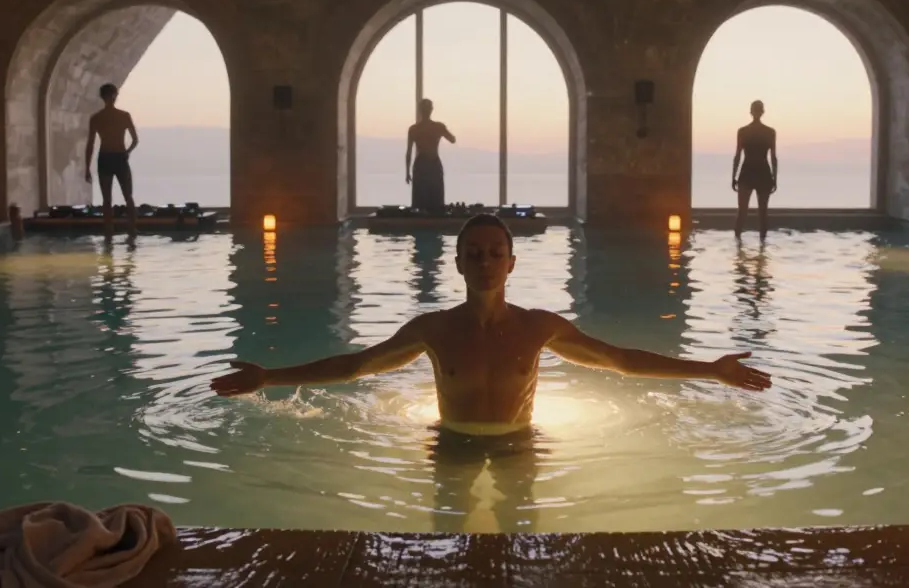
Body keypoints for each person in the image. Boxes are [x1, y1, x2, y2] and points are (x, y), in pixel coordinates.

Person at [211, 214, 773, 530]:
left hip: (518, 445)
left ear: (511, 261)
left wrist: (710, 369)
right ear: (457, 262)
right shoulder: (432, 329)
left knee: (518, 523)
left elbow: (621, 360)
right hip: (449, 443)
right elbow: (357, 366)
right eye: (473, 253)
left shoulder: (539, 328)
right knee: (446, 526)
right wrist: (269, 377)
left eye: (494, 252)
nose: (484, 262)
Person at [84, 83, 139, 239]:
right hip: (118, 157)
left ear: (102, 97)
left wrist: (87, 168)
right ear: (115, 95)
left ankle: (109, 233)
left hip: (106, 158)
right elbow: (135, 140)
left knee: (107, 199)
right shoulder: (123, 116)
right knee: (127, 196)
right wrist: (127, 152)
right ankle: (131, 231)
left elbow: (90, 144)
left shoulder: (96, 118)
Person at [732, 100, 778, 240]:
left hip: (747, 173)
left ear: (751, 112)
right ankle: (762, 248)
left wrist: (733, 176)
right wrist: (774, 178)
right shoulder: (769, 132)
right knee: (763, 213)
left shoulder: (743, 131)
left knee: (742, 213)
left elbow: (738, 156)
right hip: (763, 173)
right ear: (762, 112)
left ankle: (738, 245)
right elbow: (773, 158)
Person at [406, 98, 456, 213]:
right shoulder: (437, 127)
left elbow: (409, 152)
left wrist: (407, 172)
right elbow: (452, 139)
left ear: (420, 111)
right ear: (431, 110)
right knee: (434, 200)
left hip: (422, 165)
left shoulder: (414, 129)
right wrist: (443, 131)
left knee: (422, 200)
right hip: (430, 164)